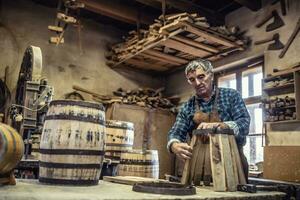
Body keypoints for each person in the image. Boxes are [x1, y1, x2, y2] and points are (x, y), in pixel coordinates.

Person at [167, 58, 250, 180]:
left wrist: (221, 126)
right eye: (192, 80)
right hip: (198, 167)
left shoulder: (231, 96)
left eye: (201, 77)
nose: (197, 82)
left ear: (211, 75)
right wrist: (174, 144)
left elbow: (244, 123)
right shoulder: (188, 106)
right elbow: (176, 132)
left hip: (231, 163)